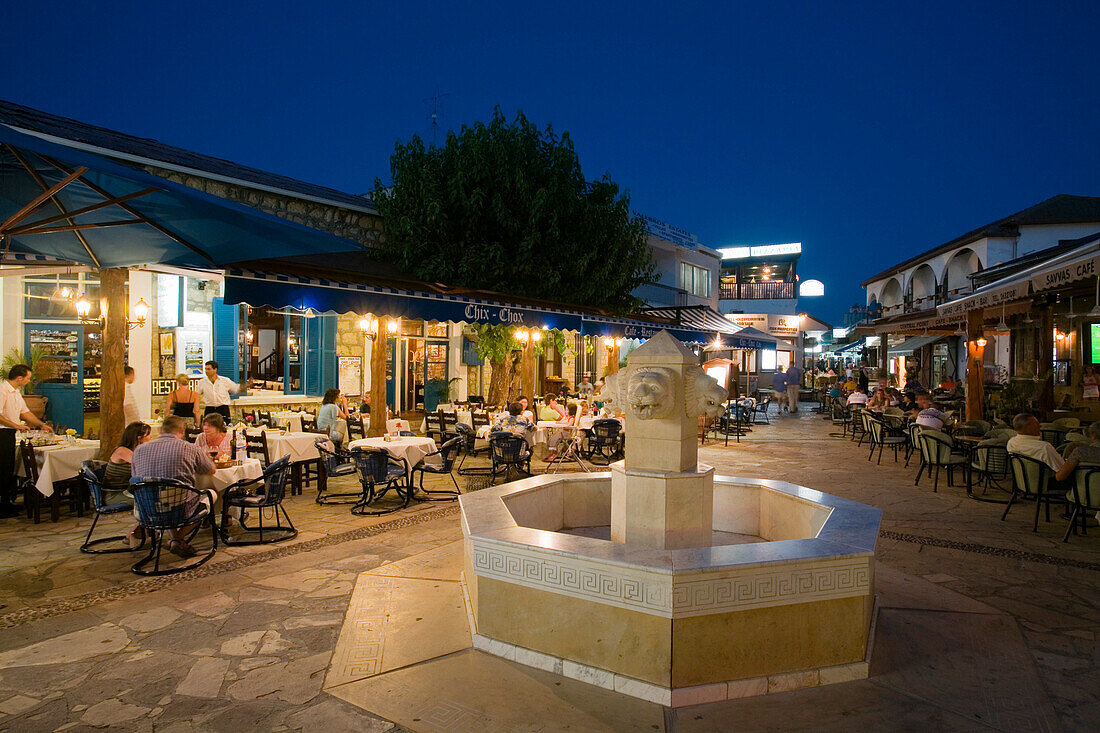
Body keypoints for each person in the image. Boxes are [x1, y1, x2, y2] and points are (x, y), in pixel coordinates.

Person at [131, 415, 217, 558]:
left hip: (146, 509)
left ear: (160, 430)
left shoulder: (139, 450)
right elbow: (211, 469)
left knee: (165, 496)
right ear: (181, 431)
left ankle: (175, 538)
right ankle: (176, 538)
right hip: (179, 509)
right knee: (211, 494)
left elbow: (134, 477)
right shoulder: (189, 448)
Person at [0, 365, 52, 516]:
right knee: (3, 468)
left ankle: (7, 502)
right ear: (19, 378)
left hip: (10, 433)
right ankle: (2, 506)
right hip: (2, 433)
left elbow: (26, 412)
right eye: (28, 378)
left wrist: (41, 425)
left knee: (9, 468)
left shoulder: (16, 392)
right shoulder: (3, 390)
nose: (29, 381)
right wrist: (15, 425)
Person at [104, 422, 152, 548]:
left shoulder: (135, 451)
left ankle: (146, 531)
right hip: (115, 495)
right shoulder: (122, 451)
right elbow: (143, 466)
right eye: (148, 435)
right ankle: (131, 535)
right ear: (139, 438)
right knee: (150, 501)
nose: (151, 438)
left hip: (127, 491)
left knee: (153, 497)